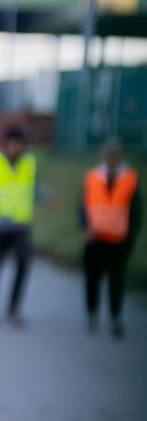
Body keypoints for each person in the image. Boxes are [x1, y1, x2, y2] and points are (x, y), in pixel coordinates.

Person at [0, 126, 50, 328]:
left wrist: (46, 197)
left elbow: (31, 188)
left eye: (20, 144)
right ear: (5, 144)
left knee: (23, 265)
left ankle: (13, 309)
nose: (16, 148)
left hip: (20, 225)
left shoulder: (28, 163)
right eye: (12, 144)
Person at [82, 139, 140, 338]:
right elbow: (83, 205)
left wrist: (129, 238)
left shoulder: (130, 178)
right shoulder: (93, 176)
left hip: (118, 240)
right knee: (92, 279)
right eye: (108, 154)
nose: (111, 158)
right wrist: (84, 227)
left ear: (120, 156)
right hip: (95, 238)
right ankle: (92, 313)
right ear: (104, 155)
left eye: (115, 154)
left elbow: (136, 212)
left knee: (116, 280)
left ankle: (116, 317)